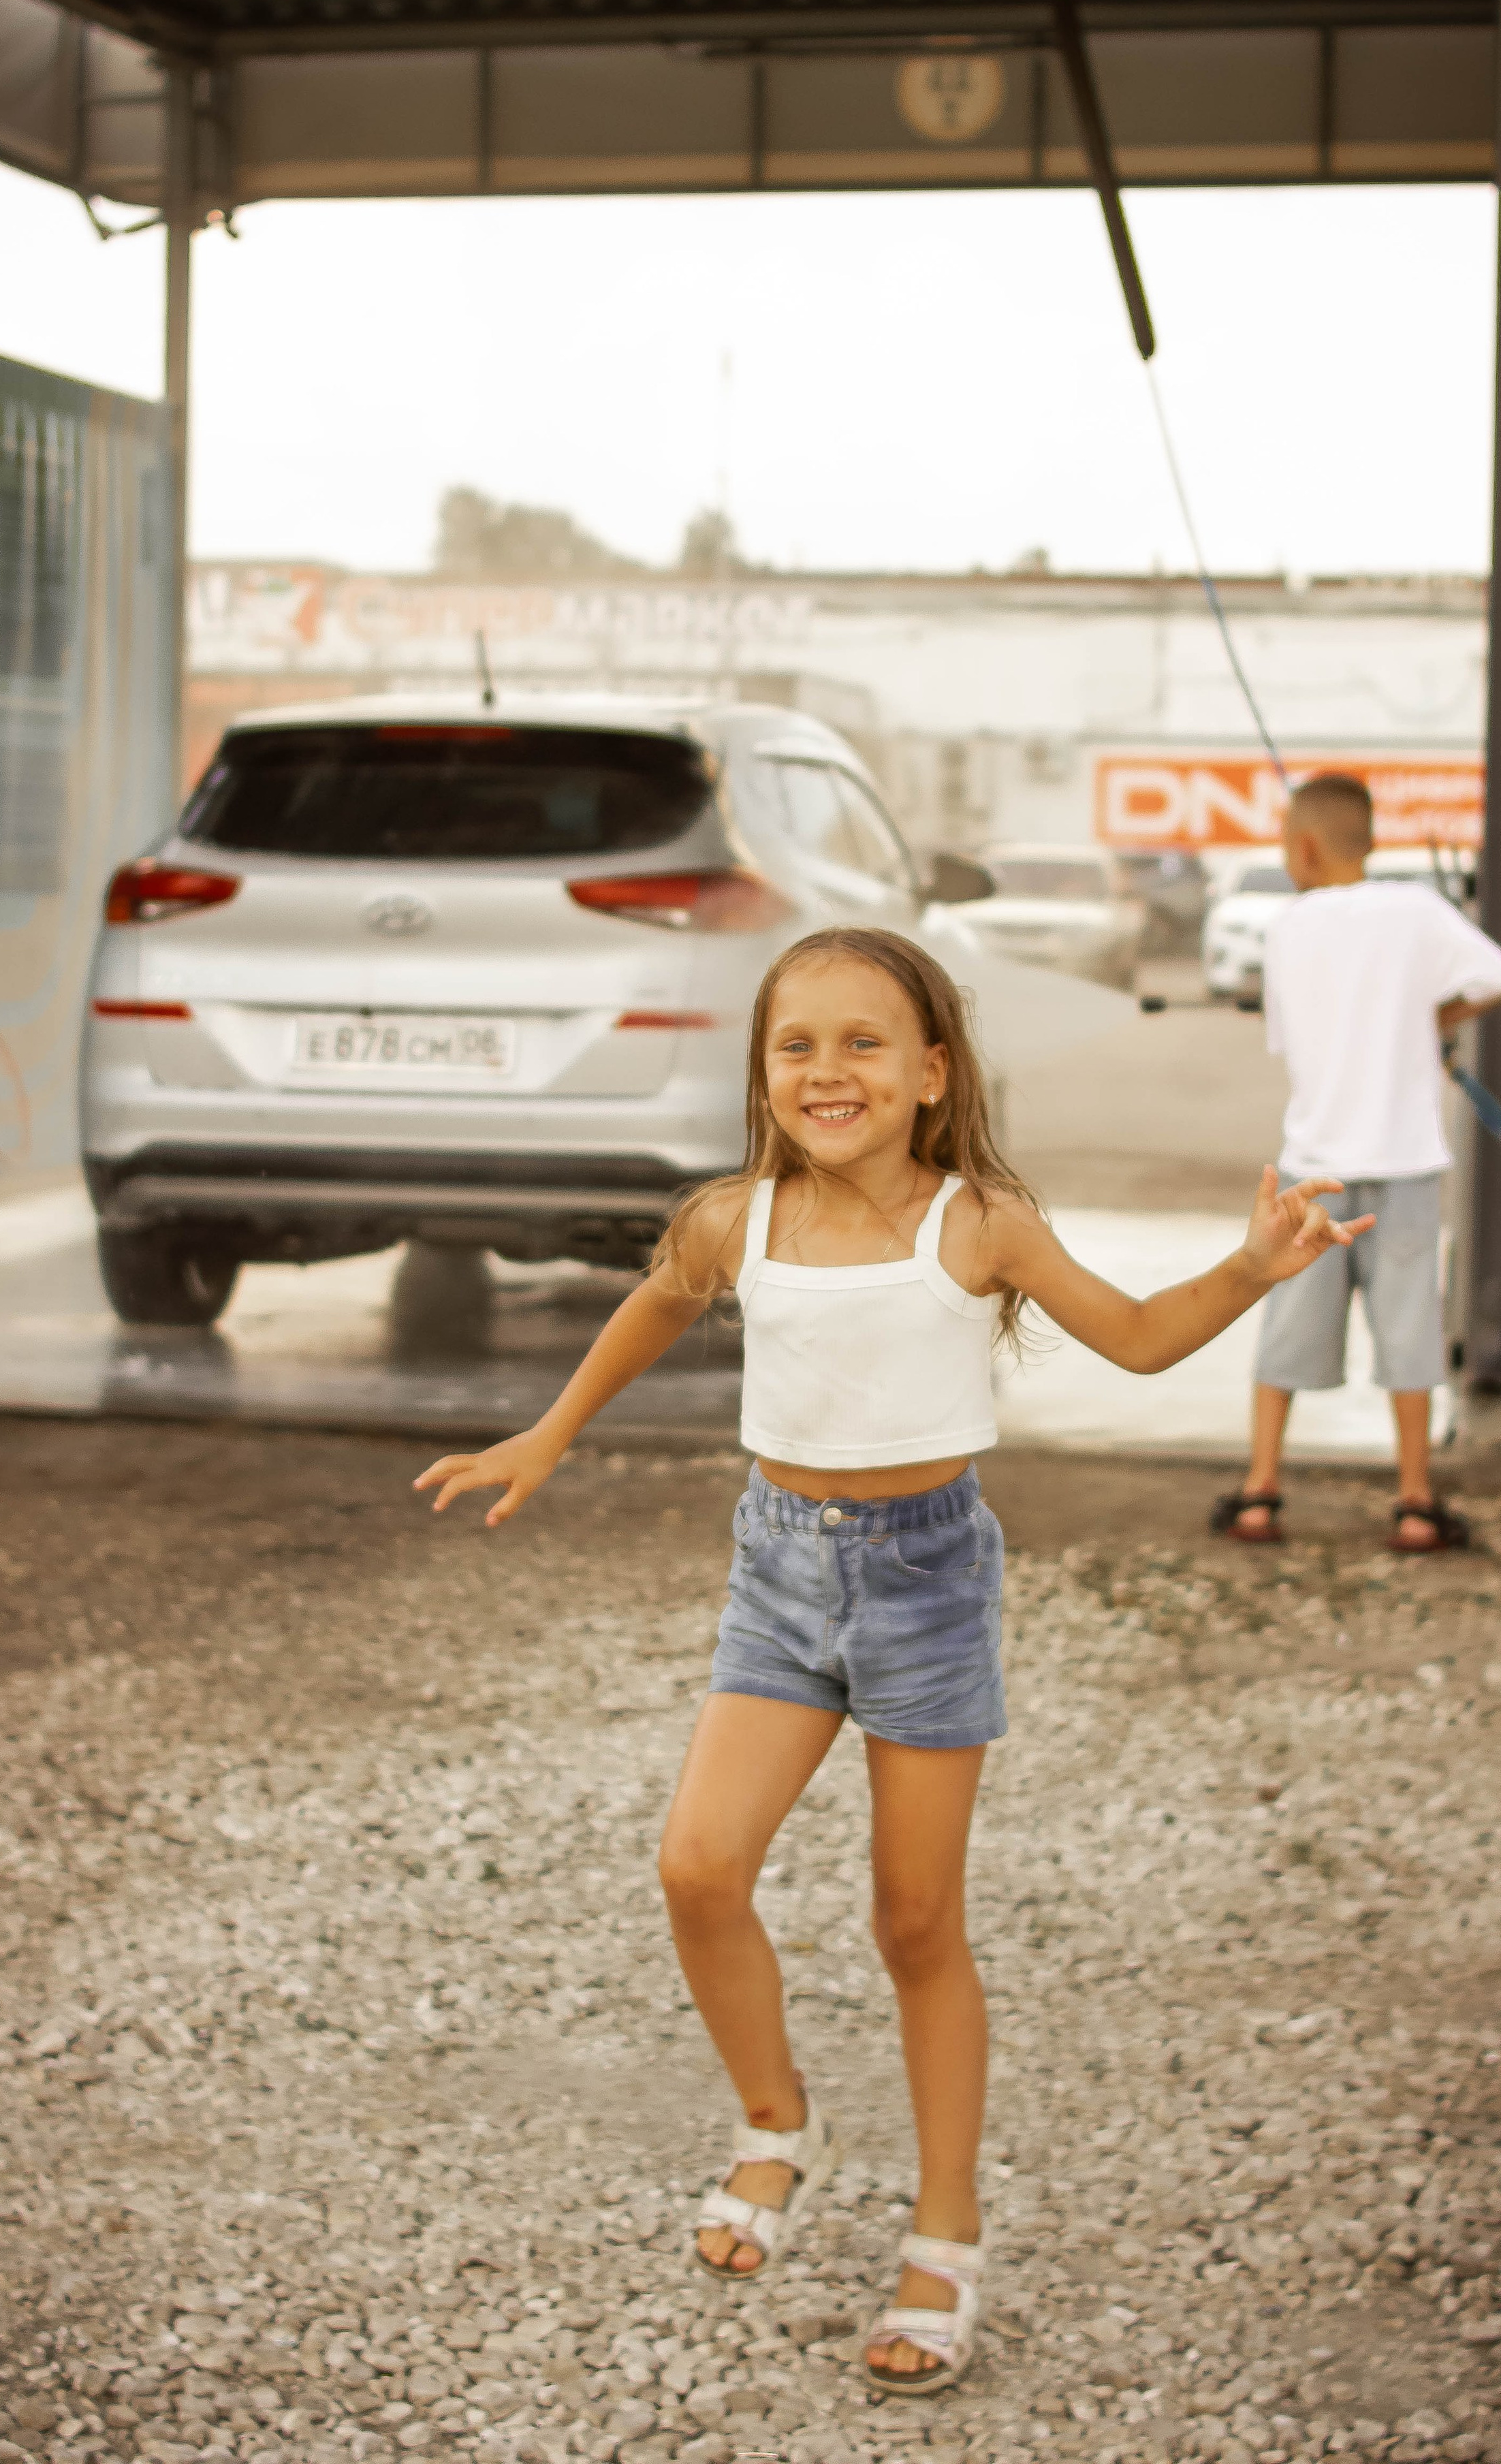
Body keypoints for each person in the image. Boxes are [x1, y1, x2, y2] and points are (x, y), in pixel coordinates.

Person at [415, 926, 1368, 2397]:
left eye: (863, 1044)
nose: (825, 1071)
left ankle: (945, 2228)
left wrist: (1250, 1263)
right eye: (795, 1045)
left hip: (924, 1581)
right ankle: (775, 2122)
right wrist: (548, 1432)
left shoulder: (973, 1221)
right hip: (778, 1572)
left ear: (931, 1074)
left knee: (913, 1922)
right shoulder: (735, 1217)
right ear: (763, 1072)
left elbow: (1129, 1339)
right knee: (694, 1867)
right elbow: (658, 1297)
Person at [1212, 773, 1501, 1555]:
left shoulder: (1288, 927)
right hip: (1407, 1163)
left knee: (1286, 1320)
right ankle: (1415, 1502)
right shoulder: (1416, 911)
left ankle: (1260, 1491)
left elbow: (1283, 1039)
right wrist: (1431, 1021)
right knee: (1411, 1328)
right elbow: (1500, 975)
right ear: (1370, 840)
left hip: (1313, 1167)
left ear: (1305, 848)